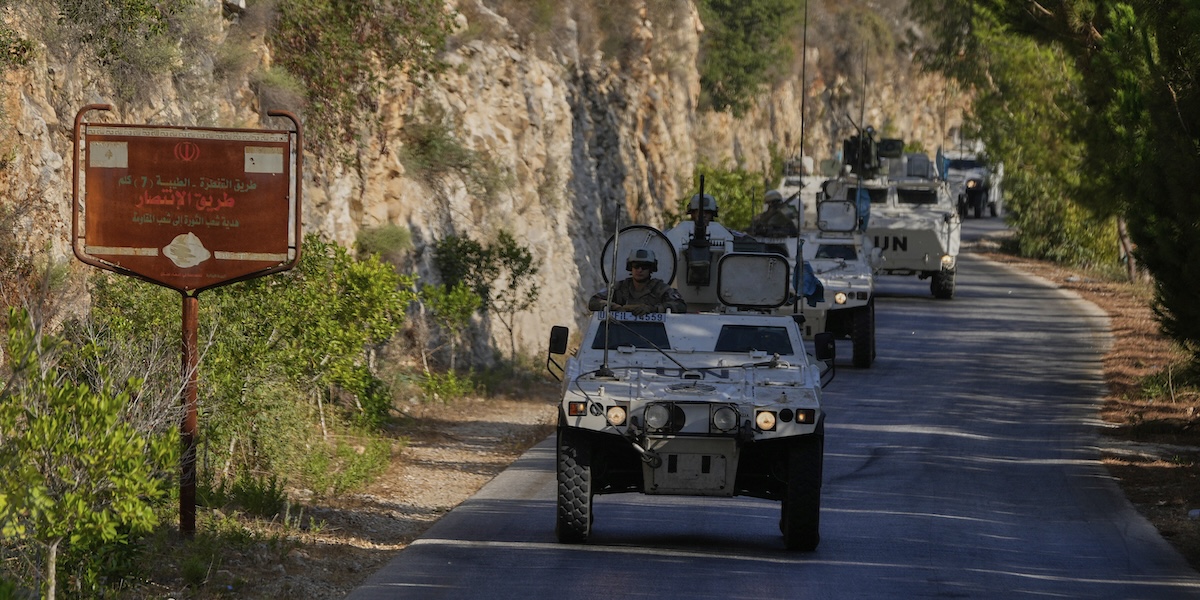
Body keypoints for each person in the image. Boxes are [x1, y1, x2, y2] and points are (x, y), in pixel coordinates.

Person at [588, 248, 686, 316]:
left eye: (644, 266)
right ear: (630, 268)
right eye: (636, 266)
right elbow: (593, 302)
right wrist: (615, 307)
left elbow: (680, 306)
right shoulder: (620, 288)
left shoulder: (660, 289)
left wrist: (652, 309)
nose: (639, 270)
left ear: (651, 269)